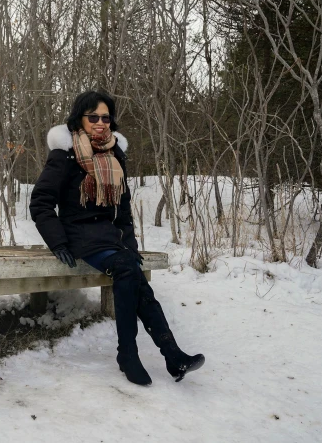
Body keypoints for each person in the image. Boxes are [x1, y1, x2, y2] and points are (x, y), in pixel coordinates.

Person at [29, 90, 205, 386]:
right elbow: (41, 202)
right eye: (93, 117)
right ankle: (130, 353)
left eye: (105, 117)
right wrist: (57, 242)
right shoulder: (64, 154)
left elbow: (122, 210)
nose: (100, 123)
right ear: (79, 120)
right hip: (79, 235)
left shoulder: (115, 155)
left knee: (133, 273)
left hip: (112, 239)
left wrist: (131, 246)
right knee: (128, 270)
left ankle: (172, 355)